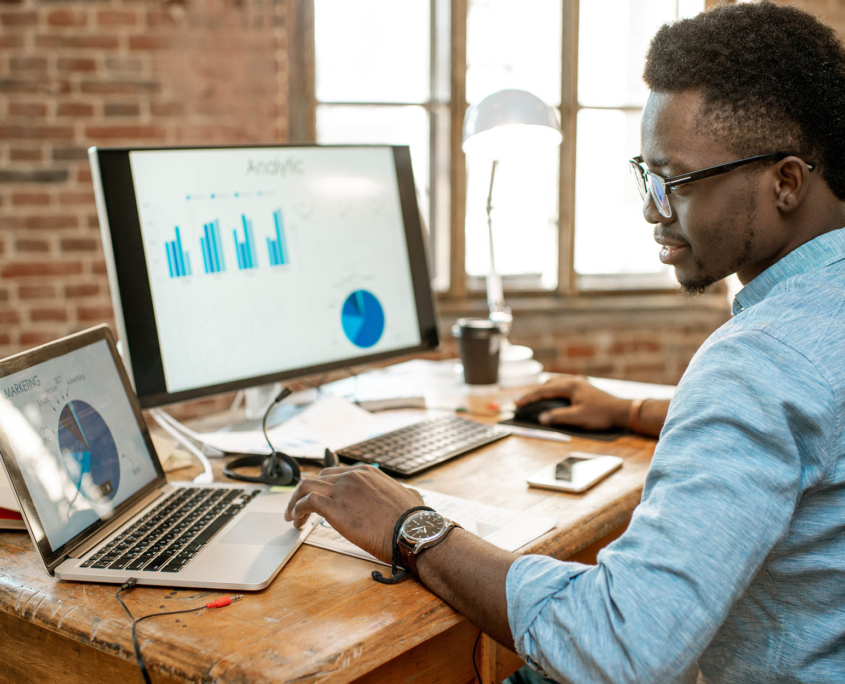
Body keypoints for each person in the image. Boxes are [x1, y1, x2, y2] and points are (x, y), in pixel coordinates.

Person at [285, 3, 845, 682]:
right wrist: (633, 412)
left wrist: (412, 528)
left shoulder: (757, 363)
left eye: (674, 182)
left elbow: (617, 647)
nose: (650, 208)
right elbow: (818, 421)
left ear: (784, 181)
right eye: (645, 175)